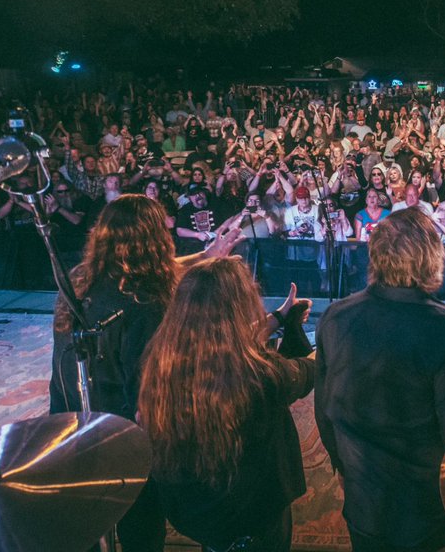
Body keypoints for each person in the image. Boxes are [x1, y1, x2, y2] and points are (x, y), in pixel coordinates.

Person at [49, 195, 242, 552]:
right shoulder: (146, 302)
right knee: (141, 527)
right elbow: (145, 387)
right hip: (125, 436)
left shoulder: (79, 283)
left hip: (74, 422)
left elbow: (160, 268)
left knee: (90, 525)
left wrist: (203, 256)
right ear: (151, 239)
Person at [315, 210, 445, 552]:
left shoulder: (335, 316)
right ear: (431, 259)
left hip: (364, 505)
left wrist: (345, 470)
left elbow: (324, 411)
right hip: (427, 515)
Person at [139, 258, 314, 552]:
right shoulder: (258, 375)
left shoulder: (161, 360)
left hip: (197, 509)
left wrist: (280, 318)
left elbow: (233, 341)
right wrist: (339, 333)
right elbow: (308, 370)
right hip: (253, 517)